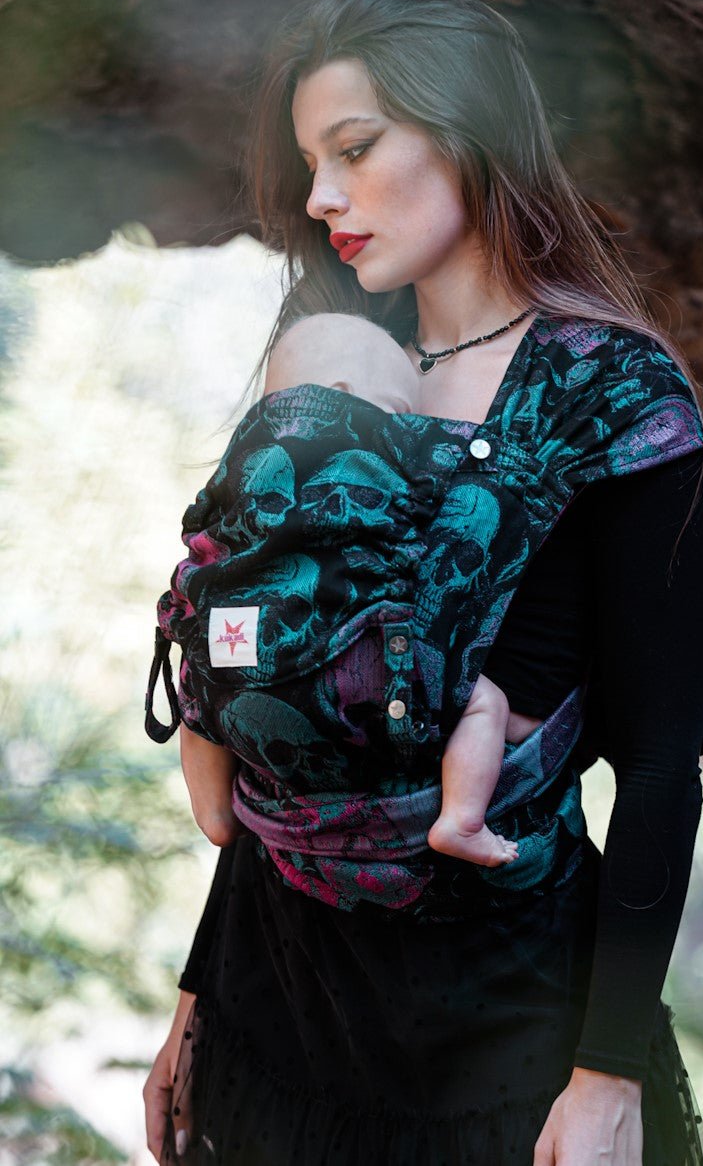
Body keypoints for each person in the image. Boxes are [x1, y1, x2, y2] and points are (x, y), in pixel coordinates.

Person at [143, 0, 703, 1165]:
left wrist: (608, 1075)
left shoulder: (615, 396)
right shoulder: (326, 374)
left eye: (355, 148)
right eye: (310, 163)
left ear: (468, 132)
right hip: (278, 1007)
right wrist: (194, 1000)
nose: (320, 198)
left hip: (510, 1036)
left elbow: (659, 767)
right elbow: (276, 705)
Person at [175, 308, 522, 870]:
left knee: (196, 698)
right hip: (357, 663)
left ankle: (213, 813)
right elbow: (470, 498)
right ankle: (461, 820)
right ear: (341, 393)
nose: (407, 424)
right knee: (488, 703)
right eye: (402, 411)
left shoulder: (237, 462)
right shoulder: (390, 446)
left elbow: (198, 542)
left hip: (231, 650)